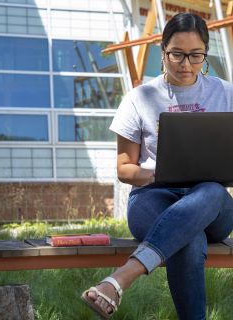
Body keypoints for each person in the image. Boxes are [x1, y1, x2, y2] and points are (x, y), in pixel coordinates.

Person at [81, 12, 233, 320]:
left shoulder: (226, 93)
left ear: (205, 53)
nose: (186, 65)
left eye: (196, 56)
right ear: (162, 51)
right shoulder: (139, 98)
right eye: (177, 54)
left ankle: (121, 278)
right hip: (153, 196)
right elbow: (124, 168)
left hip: (211, 203)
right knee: (190, 238)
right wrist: (158, 174)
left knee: (212, 191)